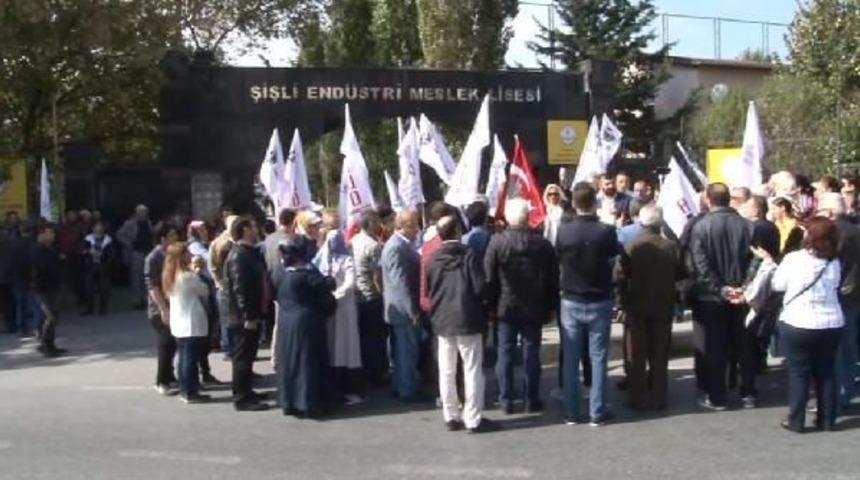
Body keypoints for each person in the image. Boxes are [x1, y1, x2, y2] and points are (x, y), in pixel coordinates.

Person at [755, 217, 844, 432]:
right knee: (826, 372)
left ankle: (796, 420)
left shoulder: (795, 259)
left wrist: (769, 263)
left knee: (798, 372)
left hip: (799, 320)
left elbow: (778, 283)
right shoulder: (834, 262)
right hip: (832, 321)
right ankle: (827, 420)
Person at [485, 198, 558, 414]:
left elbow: (489, 277)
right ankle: (531, 398)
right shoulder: (542, 244)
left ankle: (506, 399)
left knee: (505, 353)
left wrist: (489, 305)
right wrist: (551, 305)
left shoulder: (497, 243)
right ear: (527, 217)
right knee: (531, 352)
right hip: (534, 306)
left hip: (505, 306)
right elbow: (553, 278)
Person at [555, 183, 620, 426]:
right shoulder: (606, 231)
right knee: (599, 357)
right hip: (599, 298)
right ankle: (597, 411)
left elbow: (559, 257)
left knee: (571, 358)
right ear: (595, 202)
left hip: (571, 298)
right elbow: (614, 260)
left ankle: (571, 412)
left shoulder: (564, 231)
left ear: (574, 203)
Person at [427, 215, 497, 433]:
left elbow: (430, 289)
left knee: (446, 369)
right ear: (457, 231)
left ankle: (451, 416)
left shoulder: (432, 259)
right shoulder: (469, 255)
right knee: (472, 369)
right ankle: (473, 418)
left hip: (442, 319)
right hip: (468, 317)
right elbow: (479, 287)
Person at [689, 183, 753, 410]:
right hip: (740, 294)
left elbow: (700, 264)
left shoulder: (701, 226)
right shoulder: (747, 226)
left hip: (712, 297)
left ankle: (717, 396)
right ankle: (748, 393)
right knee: (743, 344)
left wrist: (720, 289)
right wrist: (743, 286)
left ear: (708, 199)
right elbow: (754, 260)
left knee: (715, 346)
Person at [616, 205, 680, 411]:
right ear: (659, 223)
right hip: (663, 304)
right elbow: (681, 273)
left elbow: (619, 276)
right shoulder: (670, 246)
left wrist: (621, 301)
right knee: (660, 353)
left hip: (636, 305)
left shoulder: (630, 246)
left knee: (637, 353)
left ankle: (637, 396)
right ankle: (659, 396)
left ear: (641, 222)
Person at [275, 236, 338, 418]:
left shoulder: (281, 275)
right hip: (307, 324)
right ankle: (309, 402)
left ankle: (289, 401)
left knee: (290, 363)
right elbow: (329, 285)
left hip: (286, 323)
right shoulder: (308, 276)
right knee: (307, 363)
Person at [815, 193, 860, 411]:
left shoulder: (835, 233)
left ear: (831, 212)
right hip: (853, 294)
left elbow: (830, 263)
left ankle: (839, 394)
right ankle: (846, 389)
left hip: (839, 294)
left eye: (820, 211)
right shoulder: (855, 229)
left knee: (837, 349)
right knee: (848, 346)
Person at [314, 220, 364, 404]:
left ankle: (352, 390)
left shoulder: (347, 260)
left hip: (345, 310)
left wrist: (336, 295)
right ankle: (334, 390)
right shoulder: (322, 259)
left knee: (348, 348)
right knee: (333, 347)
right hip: (330, 312)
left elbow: (350, 283)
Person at [224, 216, 270, 411]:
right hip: (242, 318)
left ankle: (247, 390)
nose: (257, 229)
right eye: (253, 226)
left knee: (249, 355)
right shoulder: (239, 255)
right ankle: (241, 397)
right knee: (242, 357)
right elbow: (241, 288)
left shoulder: (249, 252)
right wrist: (249, 316)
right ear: (244, 230)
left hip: (252, 314)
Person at [380, 209, 425, 401]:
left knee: (402, 351)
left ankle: (402, 386)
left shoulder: (401, 245)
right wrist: (412, 309)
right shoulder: (396, 247)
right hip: (402, 309)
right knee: (406, 352)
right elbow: (400, 282)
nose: (417, 230)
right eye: (414, 225)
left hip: (400, 308)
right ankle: (407, 390)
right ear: (405, 226)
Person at [162, 242, 211, 404]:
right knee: (190, 359)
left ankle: (185, 389)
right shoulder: (187, 276)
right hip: (190, 321)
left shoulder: (170, 275)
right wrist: (198, 273)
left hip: (179, 321)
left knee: (183, 357)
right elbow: (204, 290)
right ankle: (190, 391)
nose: (190, 256)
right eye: (187, 254)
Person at [351, 209, 387, 385]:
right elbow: (377, 275)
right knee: (375, 339)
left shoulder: (353, 241)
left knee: (364, 338)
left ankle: (365, 372)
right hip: (371, 296)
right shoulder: (374, 246)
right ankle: (375, 374)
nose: (379, 224)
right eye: (376, 221)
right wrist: (383, 295)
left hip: (357, 295)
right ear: (370, 224)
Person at [144, 223, 180, 394]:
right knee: (166, 343)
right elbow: (152, 286)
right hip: (160, 308)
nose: (175, 238)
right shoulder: (154, 258)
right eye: (172, 235)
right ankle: (161, 381)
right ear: (162, 238)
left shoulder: (172, 255)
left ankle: (170, 376)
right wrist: (163, 309)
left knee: (173, 344)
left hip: (175, 304)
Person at [32, 224, 65, 357]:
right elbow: (41, 267)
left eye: (53, 233)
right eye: (49, 233)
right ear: (41, 235)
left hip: (52, 286)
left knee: (54, 316)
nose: (52, 235)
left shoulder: (52, 248)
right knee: (49, 316)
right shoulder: (36, 249)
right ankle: (45, 345)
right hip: (40, 287)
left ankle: (50, 344)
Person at [209, 215, 238, 359]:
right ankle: (228, 348)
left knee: (234, 319)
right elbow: (213, 265)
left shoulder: (237, 239)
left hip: (235, 285)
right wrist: (219, 282)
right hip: (224, 285)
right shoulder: (221, 242)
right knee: (226, 319)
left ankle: (235, 348)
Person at [117, 205, 154, 309]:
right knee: (136, 277)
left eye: (145, 212)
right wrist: (129, 243)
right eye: (141, 212)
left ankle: (147, 300)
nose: (143, 214)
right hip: (136, 252)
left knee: (147, 277)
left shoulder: (148, 222)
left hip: (148, 252)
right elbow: (119, 234)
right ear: (136, 212)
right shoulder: (130, 223)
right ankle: (137, 301)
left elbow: (151, 235)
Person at [81, 221, 115, 315]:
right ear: (92, 228)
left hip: (103, 266)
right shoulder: (88, 239)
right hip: (90, 266)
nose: (98, 229)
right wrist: (89, 252)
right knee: (88, 288)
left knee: (104, 288)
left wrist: (103, 255)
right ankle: (89, 308)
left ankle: (103, 308)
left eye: (100, 227)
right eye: (96, 227)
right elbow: (82, 250)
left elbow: (112, 254)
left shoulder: (108, 240)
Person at [264, 209, 297, 275]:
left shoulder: (269, 238)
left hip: (271, 278)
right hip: (286, 278)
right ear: (294, 222)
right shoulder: (290, 239)